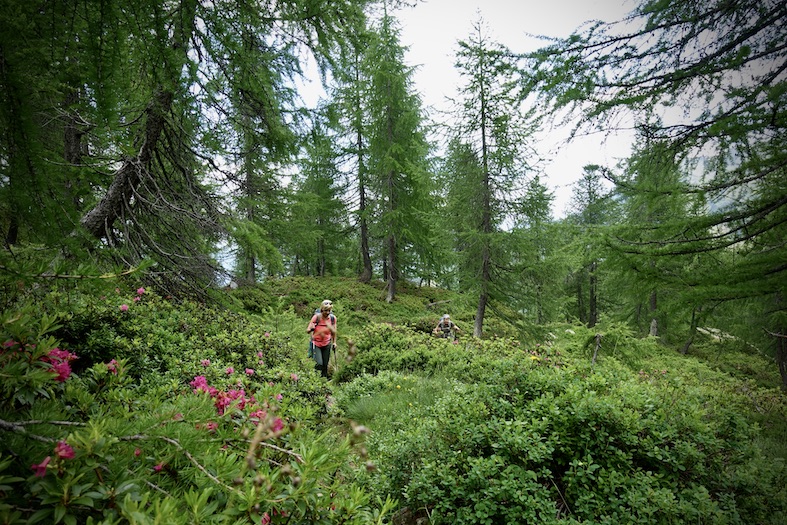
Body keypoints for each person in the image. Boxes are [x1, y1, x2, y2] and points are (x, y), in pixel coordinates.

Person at [307, 299, 336, 377]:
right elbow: (308, 330)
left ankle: (324, 381)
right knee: (319, 363)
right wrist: (311, 329)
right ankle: (315, 378)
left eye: (329, 310)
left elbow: (333, 332)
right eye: (325, 310)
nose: (327, 312)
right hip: (316, 344)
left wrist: (334, 342)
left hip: (327, 344)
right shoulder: (316, 317)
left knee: (325, 365)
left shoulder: (333, 319)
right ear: (321, 310)